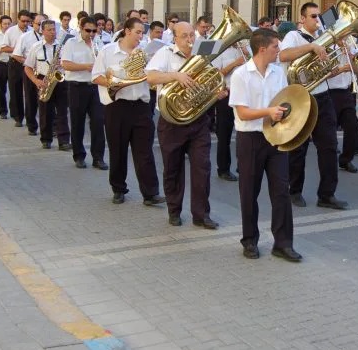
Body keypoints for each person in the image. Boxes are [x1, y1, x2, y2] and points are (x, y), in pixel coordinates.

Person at [229, 29, 301, 262]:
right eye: (275, 48)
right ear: (262, 49)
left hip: (275, 137)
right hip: (250, 139)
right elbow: (243, 112)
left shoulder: (278, 72)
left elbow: (283, 102)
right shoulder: (241, 75)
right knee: (249, 191)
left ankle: (283, 243)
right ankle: (249, 240)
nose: (278, 51)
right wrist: (269, 112)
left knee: (281, 190)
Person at [146, 21, 220, 228]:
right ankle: (174, 211)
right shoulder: (165, 53)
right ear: (175, 37)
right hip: (171, 121)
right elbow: (150, 76)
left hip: (198, 119)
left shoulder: (201, 54)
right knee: (173, 168)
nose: (189, 40)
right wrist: (175, 76)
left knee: (202, 168)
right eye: (185, 36)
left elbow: (211, 78)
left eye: (191, 36)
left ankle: (201, 215)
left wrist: (216, 93)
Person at [279, 2, 348, 210]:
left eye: (318, 16)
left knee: (329, 147)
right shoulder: (294, 36)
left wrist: (338, 66)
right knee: (298, 147)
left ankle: (327, 194)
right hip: (300, 98)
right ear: (303, 19)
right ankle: (294, 191)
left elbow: (326, 71)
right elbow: (283, 56)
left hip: (322, 96)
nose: (318, 20)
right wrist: (311, 46)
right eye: (313, 16)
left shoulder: (324, 38)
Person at [92, 17, 164, 206]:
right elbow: (95, 76)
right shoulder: (108, 52)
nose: (141, 36)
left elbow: (151, 76)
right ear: (127, 31)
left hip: (140, 105)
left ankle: (150, 193)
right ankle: (118, 189)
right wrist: (115, 82)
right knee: (118, 149)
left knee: (145, 151)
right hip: (117, 106)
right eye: (138, 32)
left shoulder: (144, 53)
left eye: (142, 32)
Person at [61, 16, 107, 169]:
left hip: (95, 87)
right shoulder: (71, 43)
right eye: (88, 30)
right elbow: (65, 64)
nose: (91, 34)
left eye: (94, 30)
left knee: (98, 122)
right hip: (77, 87)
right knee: (77, 122)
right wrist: (85, 66)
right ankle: (79, 156)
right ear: (81, 28)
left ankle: (98, 157)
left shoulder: (99, 42)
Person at [23, 20, 71, 151]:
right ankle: (46, 139)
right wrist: (36, 81)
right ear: (42, 31)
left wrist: (63, 64)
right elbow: (27, 67)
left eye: (54, 30)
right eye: (49, 30)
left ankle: (64, 141)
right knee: (45, 112)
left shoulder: (63, 46)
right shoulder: (36, 47)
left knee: (62, 112)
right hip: (43, 79)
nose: (52, 32)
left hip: (60, 80)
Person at [327, 42, 358, 173]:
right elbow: (324, 75)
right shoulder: (327, 49)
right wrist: (342, 69)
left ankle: (346, 159)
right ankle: (328, 160)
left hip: (347, 91)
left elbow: (356, 71)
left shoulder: (348, 48)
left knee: (351, 127)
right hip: (331, 92)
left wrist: (351, 58)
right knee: (329, 130)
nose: (345, 40)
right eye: (342, 36)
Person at [211, 41, 246, 181]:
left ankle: (242, 165)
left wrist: (247, 55)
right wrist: (235, 63)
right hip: (226, 93)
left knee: (244, 132)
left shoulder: (243, 49)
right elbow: (215, 74)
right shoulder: (219, 51)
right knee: (224, 134)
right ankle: (223, 168)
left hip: (243, 93)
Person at [13, 13, 46, 135]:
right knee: (31, 100)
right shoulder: (25, 37)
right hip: (31, 71)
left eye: (44, 24)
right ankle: (32, 126)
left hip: (45, 73)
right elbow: (16, 55)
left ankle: (48, 128)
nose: (41, 27)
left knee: (47, 101)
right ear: (33, 24)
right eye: (39, 24)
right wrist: (29, 63)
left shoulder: (50, 37)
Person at [2, 10, 31, 127]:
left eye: (27, 21)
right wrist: (17, 49)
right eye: (23, 21)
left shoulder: (32, 32)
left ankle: (30, 118)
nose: (25, 23)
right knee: (15, 90)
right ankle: (18, 117)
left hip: (28, 63)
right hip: (15, 63)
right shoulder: (11, 31)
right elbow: (4, 48)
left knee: (29, 91)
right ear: (18, 20)